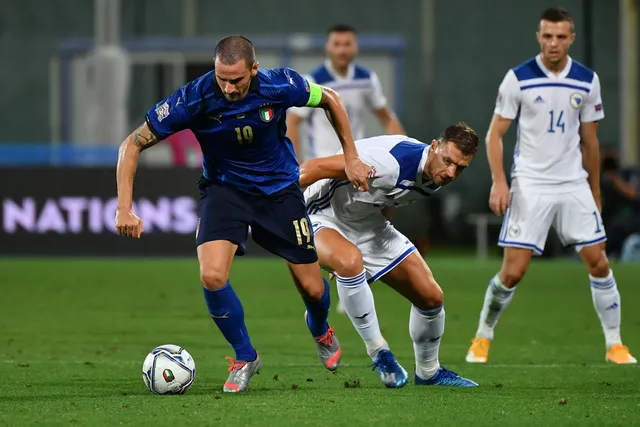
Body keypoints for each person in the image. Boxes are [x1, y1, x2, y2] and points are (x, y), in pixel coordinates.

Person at [114, 35, 374, 393]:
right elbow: (132, 143)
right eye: (222, 77)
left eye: (236, 79)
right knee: (211, 275)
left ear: (254, 69)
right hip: (224, 191)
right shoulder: (194, 97)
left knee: (314, 289)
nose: (228, 86)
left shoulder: (279, 84)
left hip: (280, 192)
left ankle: (319, 325)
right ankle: (244, 355)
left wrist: (351, 157)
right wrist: (124, 208)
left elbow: (330, 99)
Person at [465, 8, 636, 365]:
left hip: (572, 182)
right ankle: (483, 335)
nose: (554, 43)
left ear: (571, 38)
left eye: (561, 36)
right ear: (539, 37)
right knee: (513, 272)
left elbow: (591, 142)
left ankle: (614, 343)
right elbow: (496, 134)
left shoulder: (587, 80)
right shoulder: (519, 78)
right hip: (530, 183)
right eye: (547, 36)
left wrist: (595, 191)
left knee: (599, 262)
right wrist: (500, 181)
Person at [299, 122, 479, 388]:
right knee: (349, 262)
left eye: (460, 168)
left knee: (431, 298)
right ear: (433, 147)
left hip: (368, 224)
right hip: (321, 214)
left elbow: (392, 199)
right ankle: (379, 353)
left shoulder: (436, 175)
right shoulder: (388, 163)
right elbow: (311, 168)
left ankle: (428, 372)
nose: (451, 172)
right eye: (448, 161)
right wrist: (277, 210)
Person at [287, 24, 405, 162]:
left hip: (355, 163)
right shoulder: (313, 82)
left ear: (356, 47)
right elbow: (292, 122)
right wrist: (296, 166)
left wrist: (405, 154)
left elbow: (387, 118)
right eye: (336, 44)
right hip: (322, 164)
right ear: (327, 47)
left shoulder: (366, 79)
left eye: (347, 44)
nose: (342, 50)